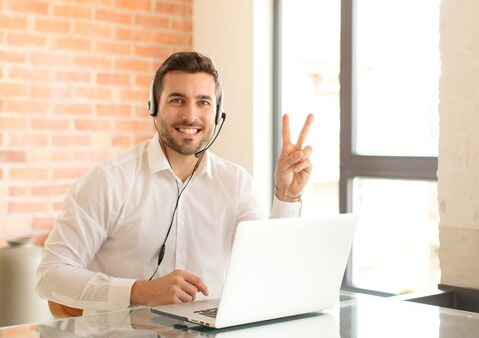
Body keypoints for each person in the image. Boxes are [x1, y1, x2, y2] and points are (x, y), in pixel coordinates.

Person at [36, 51, 314, 316]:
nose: (190, 115)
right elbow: (50, 275)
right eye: (177, 100)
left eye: (203, 102)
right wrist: (139, 291)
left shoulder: (236, 183)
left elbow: (266, 269)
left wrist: (287, 196)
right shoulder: (109, 180)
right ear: (154, 108)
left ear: (218, 115)